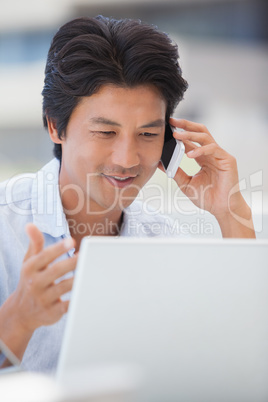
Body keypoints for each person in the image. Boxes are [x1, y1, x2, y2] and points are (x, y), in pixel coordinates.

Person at [0, 15, 255, 373]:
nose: (127, 160)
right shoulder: (5, 226)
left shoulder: (167, 243)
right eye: (105, 132)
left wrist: (231, 212)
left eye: (148, 135)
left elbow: (242, 356)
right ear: (55, 126)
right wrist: (16, 320)